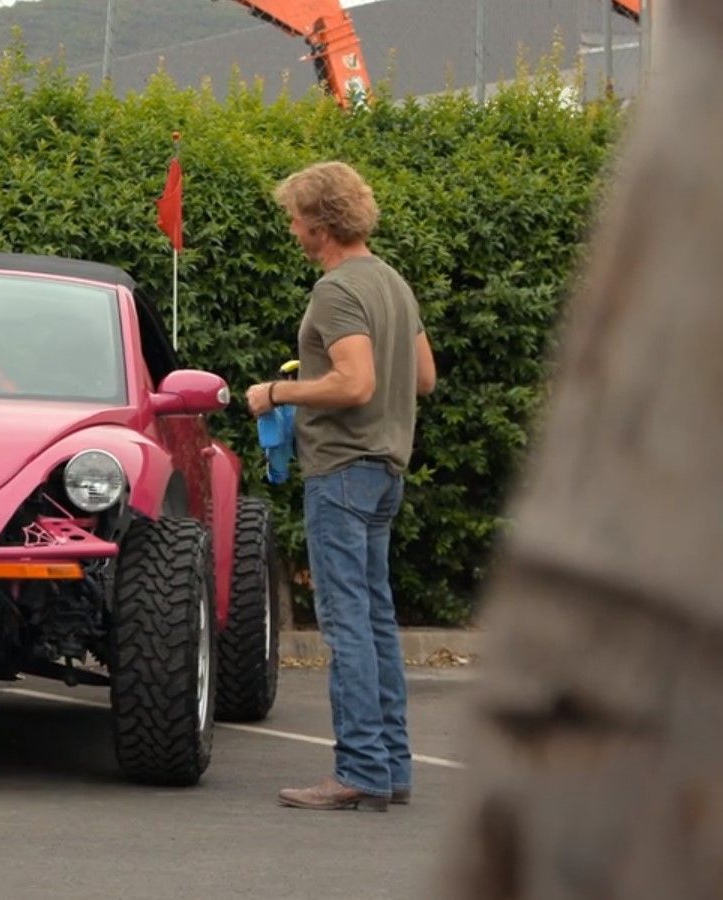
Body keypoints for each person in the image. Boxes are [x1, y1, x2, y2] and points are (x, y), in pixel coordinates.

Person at [243, 162, 438, 811]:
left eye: (296, 217)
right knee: (377, 620)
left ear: (320, 222)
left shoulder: (336, 291)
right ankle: (392, 768)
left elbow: (354, 384)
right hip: (386, 470)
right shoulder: (393, 283)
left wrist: (278, 391)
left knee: (348, 623)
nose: (293, 228)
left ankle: (358, 770)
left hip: (343, 471)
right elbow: (423, 377)